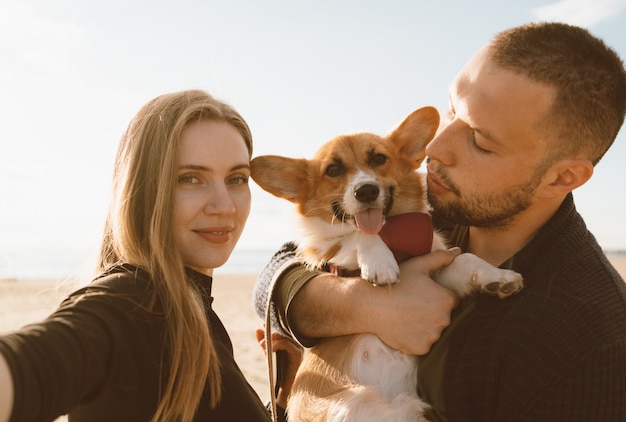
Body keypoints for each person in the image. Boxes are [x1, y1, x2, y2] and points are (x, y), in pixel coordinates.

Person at [253, 22, 626, 421]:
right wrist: (361, 305)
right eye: (451, 109)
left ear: (562, 177)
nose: (434, 147)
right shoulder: (437, 197)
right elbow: (274, 278)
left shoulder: (594, 344)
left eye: (481, 142)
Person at [0, 89, 301, 422]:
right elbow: (28, 367)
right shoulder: (131, 303)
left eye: (236, 179)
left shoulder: (191, 307)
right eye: (190, 178)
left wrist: (282, 401)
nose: (225, 205)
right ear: (145, 188)